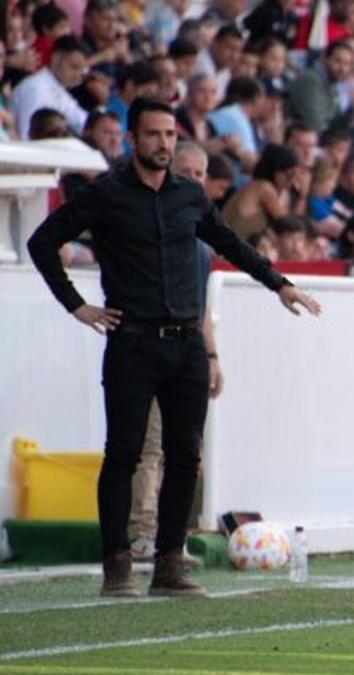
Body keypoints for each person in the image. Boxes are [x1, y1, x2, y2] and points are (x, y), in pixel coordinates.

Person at [26, 97, 321, 599]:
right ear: (133, 138)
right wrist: (77, 305)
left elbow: (231, 244)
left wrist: (280, 284)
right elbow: (41, 242)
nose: (162, 144)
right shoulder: (106, 194)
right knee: (123, 454)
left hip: (186, 344)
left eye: (168, 135)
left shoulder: (189, 196)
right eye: (153, 135)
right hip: (133, 342)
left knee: (186, 457)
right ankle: (117, 564)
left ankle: (169, 562)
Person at [127, 143, 223, 567]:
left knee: (183, 450)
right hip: (148, 351)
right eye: (187, 172)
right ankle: (142, 534)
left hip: (187, 355)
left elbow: (200, 308)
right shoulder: (148, 231)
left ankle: (170, 539)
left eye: (201, 174)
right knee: (148, 447)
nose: (194, 180)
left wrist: (213, 357)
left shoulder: (201, 247)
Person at [11, 35, 90, 139]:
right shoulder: (36, 88)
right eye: (74, 67)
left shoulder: (60, 91)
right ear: (56, 58)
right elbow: (26, 134)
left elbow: (83, 122)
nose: (78, 76)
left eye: (82, 71)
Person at [285, 39, 354, 133]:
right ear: (324, 58)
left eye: (347, 64)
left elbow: (336, 119)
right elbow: (315, 124)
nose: (342, 68)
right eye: (338, 61)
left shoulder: (333, 84)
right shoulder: (310, 81)